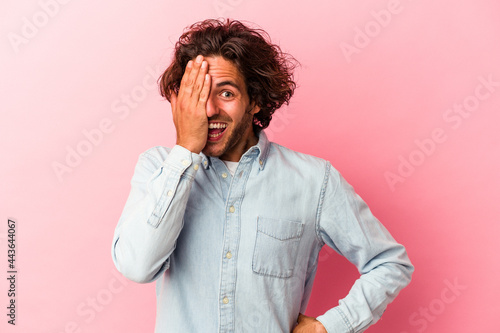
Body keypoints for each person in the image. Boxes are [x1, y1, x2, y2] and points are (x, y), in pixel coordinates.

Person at [111, 18, 414, 333]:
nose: (209, 110)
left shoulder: (314, 180)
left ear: (255, 100)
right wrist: (185, 149)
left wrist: (330, 326)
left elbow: (389, 263)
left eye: (226, 93)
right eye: (198, 96)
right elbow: (137, 267)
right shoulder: (158, 168)